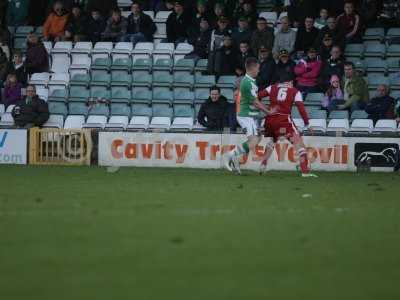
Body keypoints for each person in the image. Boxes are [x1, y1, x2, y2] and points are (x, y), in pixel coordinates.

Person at [257, 73, 318, 177]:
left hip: (270, 120)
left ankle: (263, 164)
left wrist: (266, 108)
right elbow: (301, 108)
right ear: (290, 82)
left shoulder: (272, 87)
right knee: (299, 144)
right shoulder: (295, 91)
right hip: (284, 120)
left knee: (273, 140)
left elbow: (256, 97)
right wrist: (307, 123)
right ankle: (305, 171)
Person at [223, 57, 270, 174]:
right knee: (254, 140)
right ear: (253, 68)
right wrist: (268, 111)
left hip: (250, 115)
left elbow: (253, 101)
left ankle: (234, 158)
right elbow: (254, 102)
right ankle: (230, 155)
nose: (259, 71)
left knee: (258, 138)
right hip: (246, 115)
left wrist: (263, 111)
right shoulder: (248, 82)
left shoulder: (251, 81)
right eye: (258, 68)